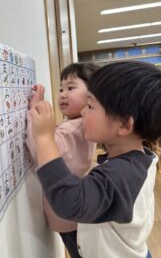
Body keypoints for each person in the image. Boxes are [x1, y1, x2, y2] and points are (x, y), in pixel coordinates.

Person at [29, 61, 161, 258]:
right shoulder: (139, 159)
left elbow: (69, 201)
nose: (82, 112)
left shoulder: (122, 173)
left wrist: (45, 138)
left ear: (124, 125)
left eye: (90, 105)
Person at [26, 62, 99, 258]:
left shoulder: (71, 128)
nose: (63, 94)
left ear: (92, 95)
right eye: (61, 88)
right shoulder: (81, 123)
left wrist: (34, 111)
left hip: (67, 214)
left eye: (71, 87)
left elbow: (41, 150)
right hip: (76, 211)